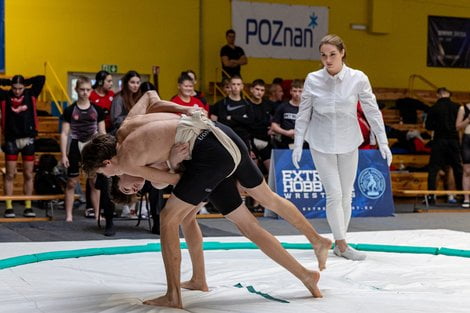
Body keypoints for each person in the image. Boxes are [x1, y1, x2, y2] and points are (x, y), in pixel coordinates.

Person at [81, 93, 332, 309]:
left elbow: (176, 180)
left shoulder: (126, 160)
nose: (112, 177)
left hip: (208, 153)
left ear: (106, 162)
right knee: (259, 207)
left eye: (106, 174)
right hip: (220, 132)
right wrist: (183, 110)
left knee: (169, 217)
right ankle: (309, 265)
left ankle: (173, 295)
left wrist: (173, 161)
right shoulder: (128, 125)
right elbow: (151, 97)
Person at [292, 34, 391, 261]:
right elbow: (303, 113)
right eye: (324, 55)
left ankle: (339, 241)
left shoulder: (358, 78)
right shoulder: (313, 79)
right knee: (334, 194)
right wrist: (298, 143)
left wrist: (382, 140)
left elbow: (372, 111)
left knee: (347, 195)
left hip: (349, 141)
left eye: (332, 55)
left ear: (342, 53)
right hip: (320, 141)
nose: (327, 60)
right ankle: (343, 245)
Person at [60, 76, 105, 222]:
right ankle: (69, 215)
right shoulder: (70, 110)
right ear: (76, 90)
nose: (85, 93)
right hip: (75, 145)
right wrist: (63, 155)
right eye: (82, 90)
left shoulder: (97, 110)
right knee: (71, 182)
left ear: (91, 91)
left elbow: (102, 133)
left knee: (93, 181)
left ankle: (98, 214)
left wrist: (104, 153)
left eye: (87, 90)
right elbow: (65, 133)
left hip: (91, 146)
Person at [0, 74, 45, 218]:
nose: (17, 91)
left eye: (20, 88)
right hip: (11, 140)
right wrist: (8, 82)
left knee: (28, 174)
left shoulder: (30, 94)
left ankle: (28, 206)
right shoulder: (4, 95)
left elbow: (41, 79)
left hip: (28, 140)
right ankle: (8, 207)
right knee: (10, 174)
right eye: (14, 88)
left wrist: (25, 82)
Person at [424, 87, 462, 205]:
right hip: (453, 140)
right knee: (456, 168)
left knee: (433, 169)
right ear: (449, 94)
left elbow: (428, 126)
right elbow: (460, 125)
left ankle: (431, 197)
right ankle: (462, 195)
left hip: (439, 141)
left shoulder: (433, 108)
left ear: (438, 95)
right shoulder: (457, 107)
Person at [210, 75, 254, 149]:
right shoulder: (221, 104)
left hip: (243, 139)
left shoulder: (247, 104)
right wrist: (242, 118)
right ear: (230, 86)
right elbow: (222, 121)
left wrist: (232, 117)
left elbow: (250, 121)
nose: (236, 87)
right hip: (227, 138)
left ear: (242, 86)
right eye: (233, 84)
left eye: (238, 84)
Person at [248, 79, 273, 172]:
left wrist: (273, 127)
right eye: (257, 89)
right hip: (251, 141)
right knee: (253, 173)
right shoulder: (246, 105)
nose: (259, 92)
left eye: (262, 90)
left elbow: (278, 118)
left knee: (272, 172)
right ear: (251, 89)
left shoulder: (268, 105)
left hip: (266, 141)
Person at [271, 79, 303, 149]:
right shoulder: (283, 107)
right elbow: (274, 125)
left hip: (303, 143)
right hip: (285, 143)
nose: (297, 94)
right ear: (290, 91)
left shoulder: (307, 109)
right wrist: (286, 132)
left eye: (300, 91)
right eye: (295, 91)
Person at [109, 70, 141, 134]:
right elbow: (116, 120)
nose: (136, 85)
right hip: (119, 133)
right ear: (126, 83)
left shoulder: (137, 97)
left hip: (133, 131)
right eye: (132, 82)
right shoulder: (119, 98)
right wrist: (132, 118)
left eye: (138, 83)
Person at [456, 100, 470, 207]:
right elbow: (457, 126)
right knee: (467, 170)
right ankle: (466, 198)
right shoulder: (463, 108)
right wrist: (468, 120)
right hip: (467, 139)